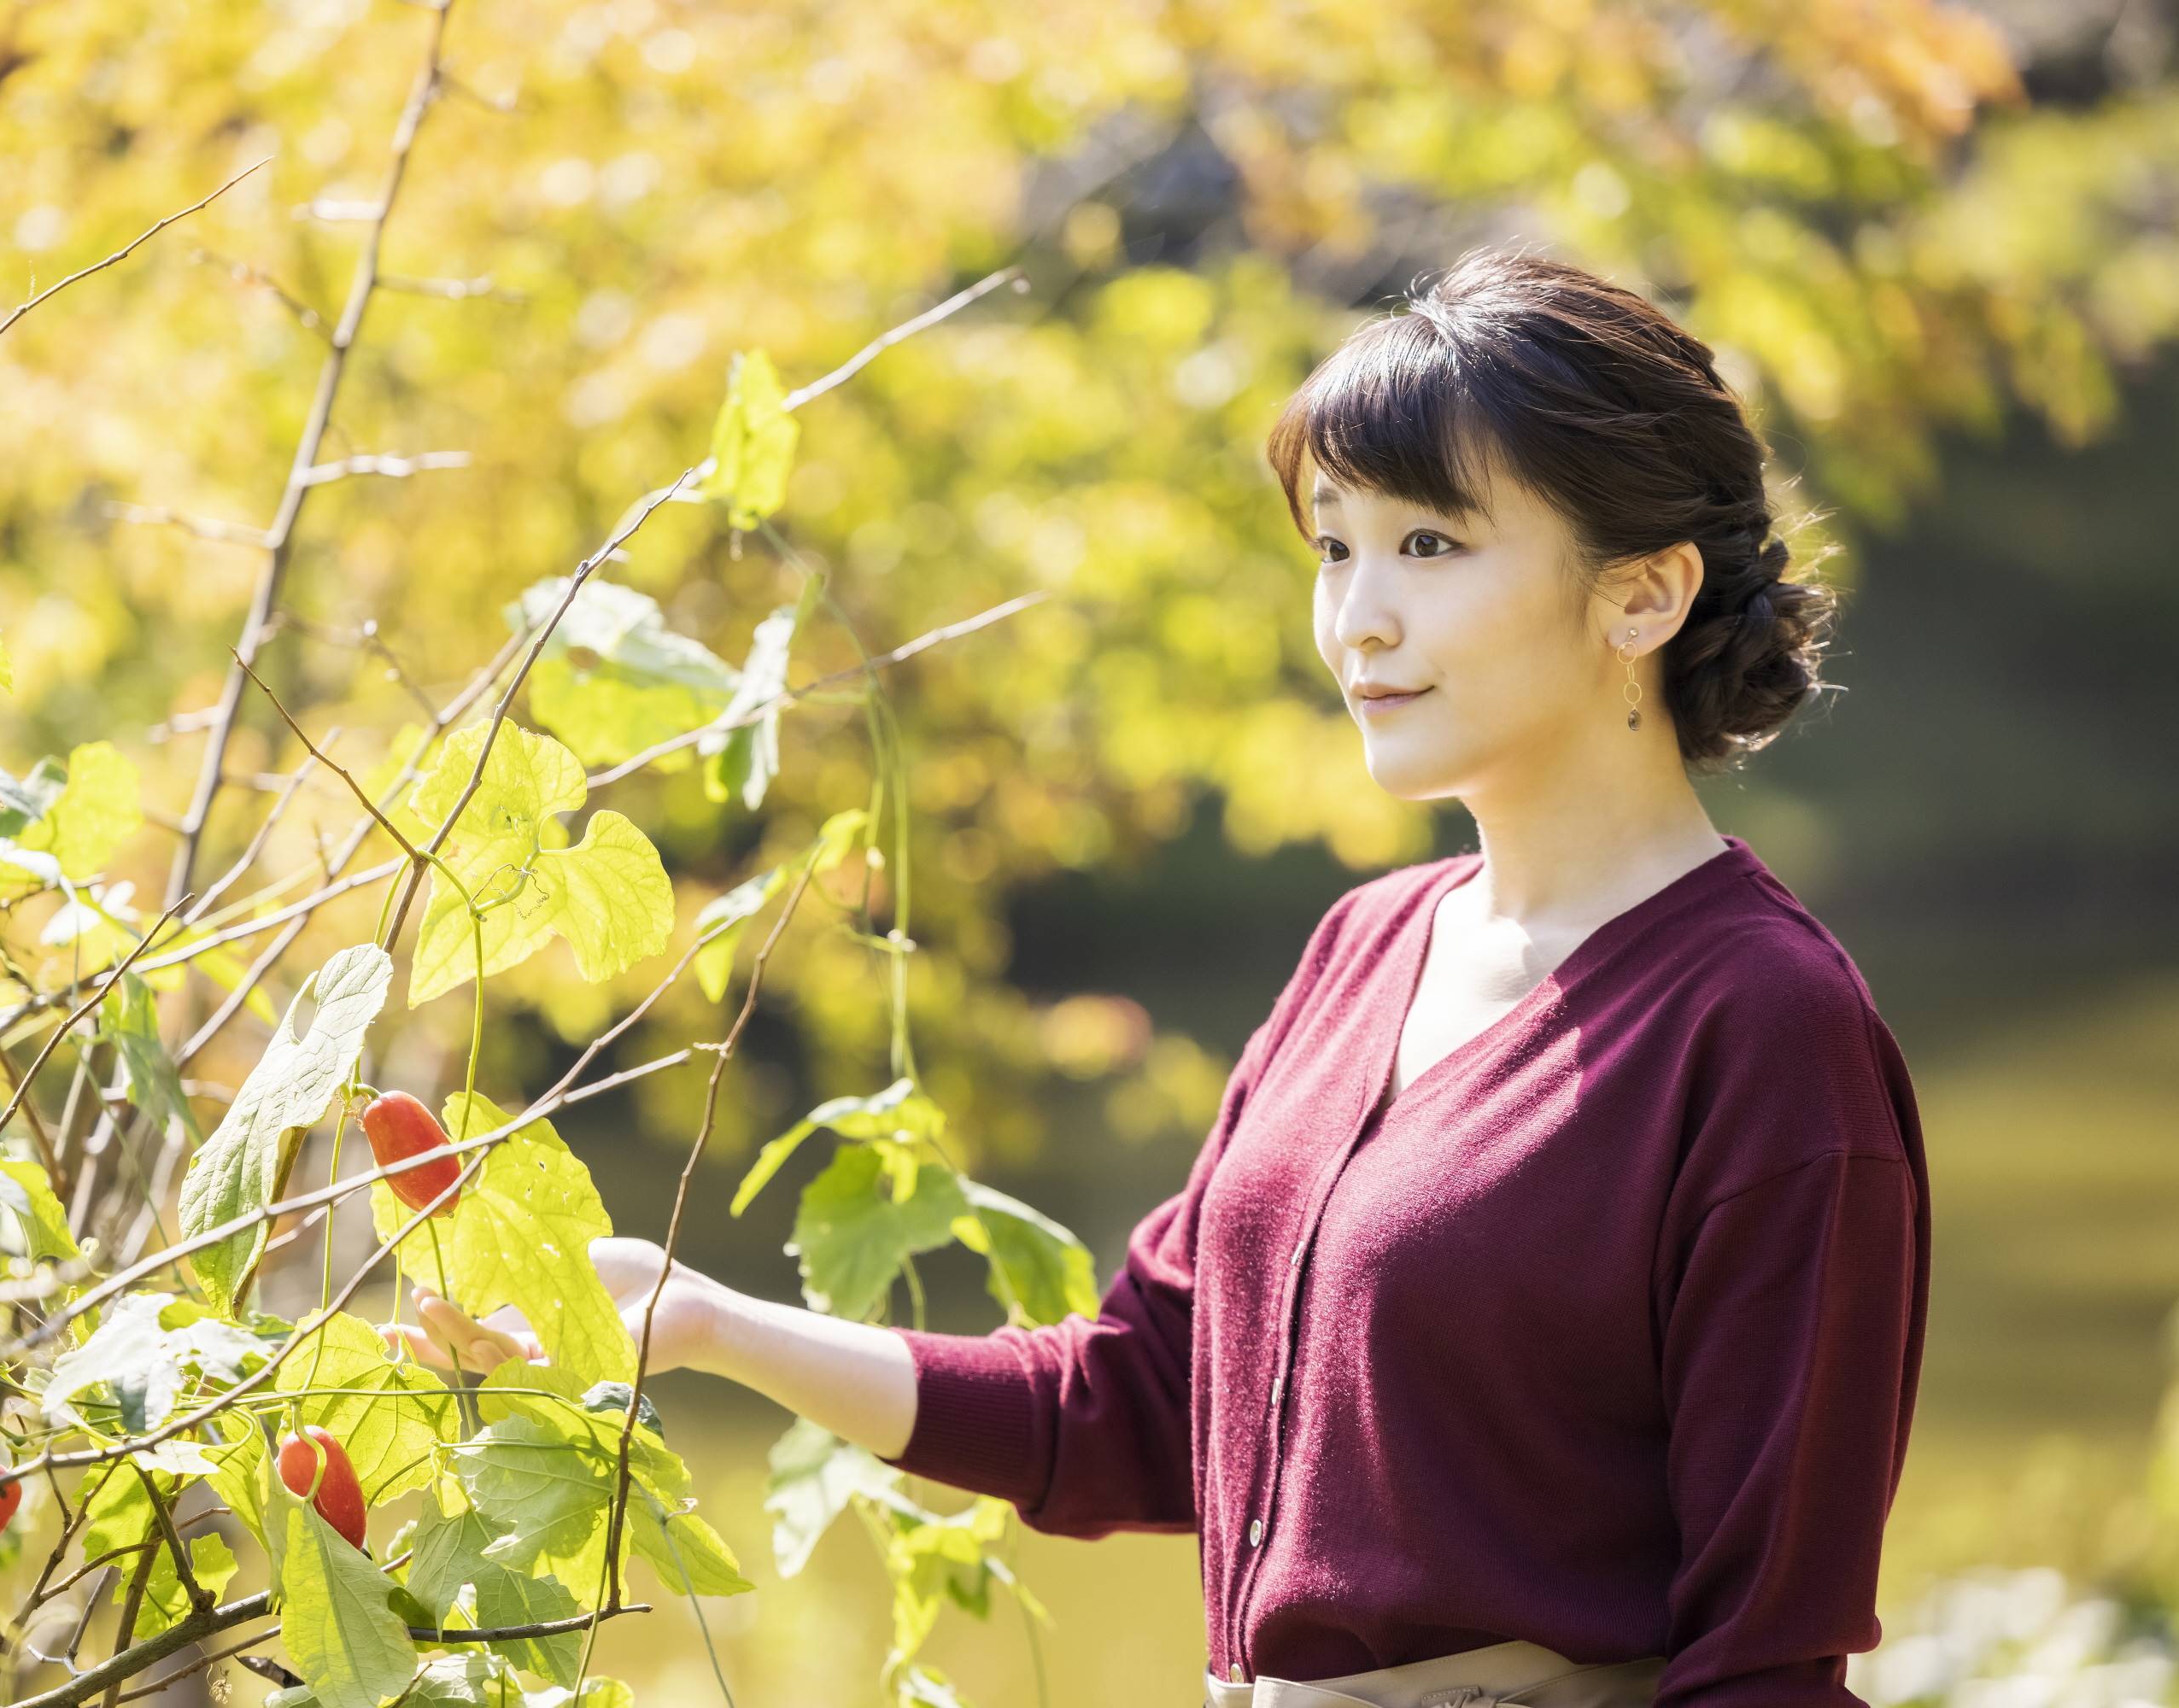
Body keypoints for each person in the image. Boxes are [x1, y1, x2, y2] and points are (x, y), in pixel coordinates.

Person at [389, 246, 1933, 1708]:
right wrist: (706, 1324)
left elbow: (1769, 1665)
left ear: (1643, 595)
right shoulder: (1367, 948)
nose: (1358, 616)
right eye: (1334, 546)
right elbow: (1132, 1409)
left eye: (1430, 545)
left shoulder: (1763, 1033)